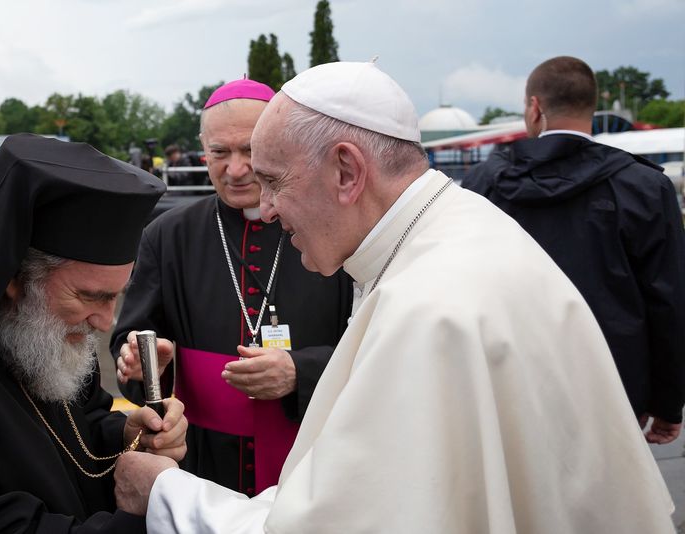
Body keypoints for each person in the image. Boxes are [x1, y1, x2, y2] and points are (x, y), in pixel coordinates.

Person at [113, 61, 676, 533]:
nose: (267, 208)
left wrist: (166, 494)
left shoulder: (427, 308)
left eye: (275, 180)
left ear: (346, 171)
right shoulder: (459, 230)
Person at [0, 134, 188, 533]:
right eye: (90, 296)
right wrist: (137, 513)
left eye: (116, 296)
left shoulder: (46, 335)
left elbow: (83, 424)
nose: (105, 322)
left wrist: (128, 436)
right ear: (14, 279)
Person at [110, 79, 352, 497]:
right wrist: (146, 366)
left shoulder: (335, 229)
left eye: (250, 151)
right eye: (220, 153)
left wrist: (302, 371)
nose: (236, 170)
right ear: (203, 150)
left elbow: (377, 342)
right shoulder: (168, 236)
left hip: (316, 458)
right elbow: (131, 345)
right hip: (204, 464)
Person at [462, 56, 685, 444]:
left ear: (535, 108)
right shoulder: (645, 187)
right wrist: (668, 402)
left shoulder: (482, 184)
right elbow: (668, 301)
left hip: (508, 382)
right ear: (592, 108)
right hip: (614, 386)